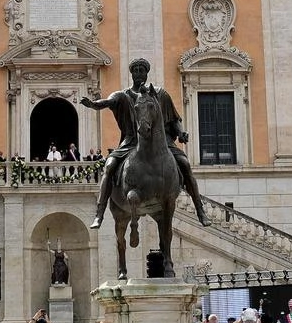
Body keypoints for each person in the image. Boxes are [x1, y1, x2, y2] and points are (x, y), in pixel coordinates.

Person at [79, 57, 211, 229]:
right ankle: (99, 213)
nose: (139, 74)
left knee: (185, 164)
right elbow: (107, 102)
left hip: (162, 143)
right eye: (136, 70)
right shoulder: (123, 95)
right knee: (110, 166)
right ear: (131, 73)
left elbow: (174, 118)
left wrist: (180, 133)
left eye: (142, 70)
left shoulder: (160, 94)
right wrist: (93, 104)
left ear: (147, 73)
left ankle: (200, 210)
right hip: (131, 142)